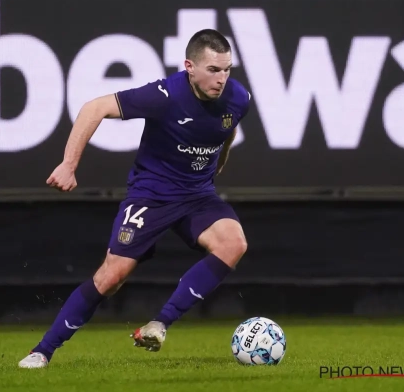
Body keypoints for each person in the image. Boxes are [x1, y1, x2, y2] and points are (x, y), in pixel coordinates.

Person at [19, 29, 251, 369]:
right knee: (111, 278)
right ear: (189, 67)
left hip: (197, 194)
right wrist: (68, 165)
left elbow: (227, 129)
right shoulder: (164, 96)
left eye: (227, 69)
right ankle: (42, 350)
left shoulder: (238, 97)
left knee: (234, 243)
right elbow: (94, 108)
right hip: (152, 195)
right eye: (213, 70)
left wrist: (221, 160)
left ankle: (160, 324)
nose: (222, 78)